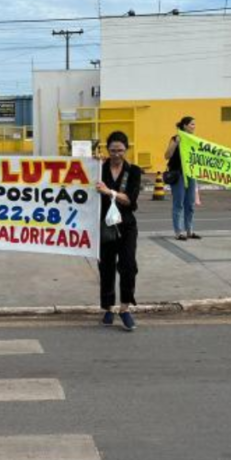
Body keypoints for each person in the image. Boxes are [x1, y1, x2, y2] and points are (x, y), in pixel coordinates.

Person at [96, 130, 143, 332]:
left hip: (126, 226)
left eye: (120, 150)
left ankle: (124, 308)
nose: (116, 154)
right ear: (107, 150)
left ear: (126, 149)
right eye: (113, 150)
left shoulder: (133, 171)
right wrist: (90, 161)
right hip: (104, 226)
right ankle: (109, 307)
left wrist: (110, 192)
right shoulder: (99, 168)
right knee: (106, 267)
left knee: (128, 266)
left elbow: (130, 200)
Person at [165, 116, 200, 241]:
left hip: (191, 174)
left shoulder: (194, 140)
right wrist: (176, 143)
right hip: (178, 174)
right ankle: (178, 232)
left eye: (194, 124)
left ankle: (189, 230)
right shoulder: (175, 138)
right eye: (191, 124)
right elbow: (167, 155)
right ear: (184, 126)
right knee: (178, 204)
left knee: (190, 204)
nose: (194, 126)